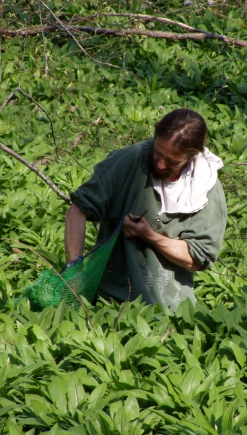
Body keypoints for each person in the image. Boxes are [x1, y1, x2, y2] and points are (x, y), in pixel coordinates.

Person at [64, 108, 227, 310]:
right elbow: (77, 211)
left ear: (191, 157)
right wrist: (74, 272)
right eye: (158, 153)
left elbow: (195, 259)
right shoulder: (130, 160)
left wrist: (150, 236)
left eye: (171, 161)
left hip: (170, 310)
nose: (159, 164)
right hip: (107, 302)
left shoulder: (205, 186)